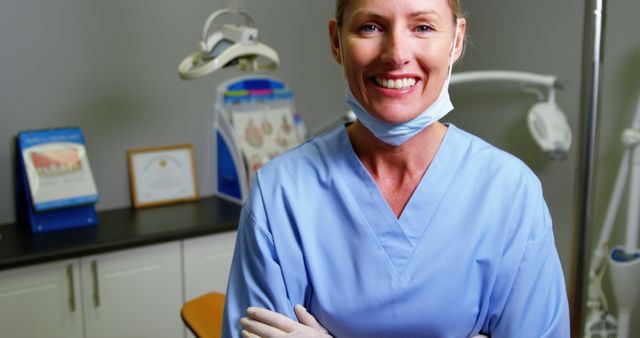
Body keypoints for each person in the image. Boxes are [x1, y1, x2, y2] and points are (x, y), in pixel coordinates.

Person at [222, 0, 571, 337]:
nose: (397, 54)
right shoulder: (281, 194)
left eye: (422, 26)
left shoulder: (510, 192)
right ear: (336, 42)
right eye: (370, 26)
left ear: (456, 40)